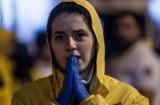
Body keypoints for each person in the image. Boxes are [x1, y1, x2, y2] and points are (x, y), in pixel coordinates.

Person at [11, 0, 149, 105]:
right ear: (50, 45)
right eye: (60, 37)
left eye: (80, 35)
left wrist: (89, 101)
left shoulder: (130, 99)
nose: (70, 45)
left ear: (96, 42)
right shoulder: (26, 98)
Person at [106, 11, 160, 105]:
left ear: (139, 30)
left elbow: (147, 98)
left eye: (127, 27)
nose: (121, 31)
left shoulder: (144, 57)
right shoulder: (114, 57)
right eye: (117, 27)